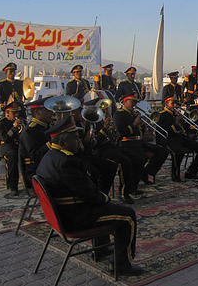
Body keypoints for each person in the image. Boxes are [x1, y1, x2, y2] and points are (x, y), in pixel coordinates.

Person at [35, 117, 144, 275]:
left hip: (62, 214)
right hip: (74, 218)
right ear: (64, 142)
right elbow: (91, 196)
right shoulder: (66, 162)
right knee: (127, 216)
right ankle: (122, 265)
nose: (79, 141)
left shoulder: (50, 156)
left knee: (107, 206)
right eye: (75, 138)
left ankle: (101, 249)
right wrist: (105, 199)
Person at [113, 93, 168, 194]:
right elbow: (122, 132)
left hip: (139, 142)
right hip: (126, 143)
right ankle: (131, 188)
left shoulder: (134, 113)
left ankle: (146, 172)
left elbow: (141, 131)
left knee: (162, 151)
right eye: (131, 101)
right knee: (140, 158)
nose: (133, 104)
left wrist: (143, 125)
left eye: (135, 102)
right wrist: (135, 123)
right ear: (125, 102)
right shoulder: (119, 114)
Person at [156, 95, 198, 182]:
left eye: (176, 103)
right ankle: (175, 175)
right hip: (168, 140)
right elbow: (165, 133)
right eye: (173, 103)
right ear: (166, 104)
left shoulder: (176, 114)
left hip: (180, 138)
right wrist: (176, 122)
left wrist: (182, 120)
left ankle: (191, 172)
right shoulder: (161, 115)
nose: (175, 105)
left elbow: (185, 128)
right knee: (178, 152)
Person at [19, 97, 53, 189]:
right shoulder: (29, 131)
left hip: (47, 168)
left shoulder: (47, 127)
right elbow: (36, 156)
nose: (51, 113)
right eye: (48, 111)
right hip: (36, 172)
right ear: (37, 113)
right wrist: (53, 142)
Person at [0, 102, 24, 196]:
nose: (16, 115)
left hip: (18, 145)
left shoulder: (21, 121)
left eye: (17, 113)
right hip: (7, 146)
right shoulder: (1, 124)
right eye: (14, 112)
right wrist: (14, 128)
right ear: (7, 112)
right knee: (12, 155)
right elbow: (5, 138)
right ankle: (12, 186)